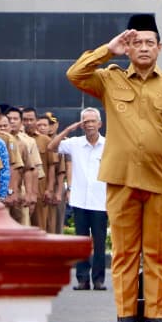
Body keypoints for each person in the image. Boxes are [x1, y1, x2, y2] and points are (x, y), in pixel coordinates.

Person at [66, 13, 162, 322]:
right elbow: (75, 74)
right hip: (122, 179)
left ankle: (155, 317)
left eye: (149, 43)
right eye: (136, 42)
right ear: (128, 48)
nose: (143, 48)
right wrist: (108, 49)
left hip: (159, 180)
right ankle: (125, 317)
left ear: (159, 48)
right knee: (124, 252)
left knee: (158, 253)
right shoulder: (110, 79)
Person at [50, 109, 108, 290]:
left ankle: (98, 280)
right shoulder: (74, 143)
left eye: (92, 121)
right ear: (81, 124)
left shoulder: (108, 145)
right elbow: (51, 146)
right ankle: (82, 279)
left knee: (99, 242)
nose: (89, 125)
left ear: (100, 124)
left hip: (100, 200)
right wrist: (69, 129)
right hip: (79, 200)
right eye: (85, 121)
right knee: (81, 241)